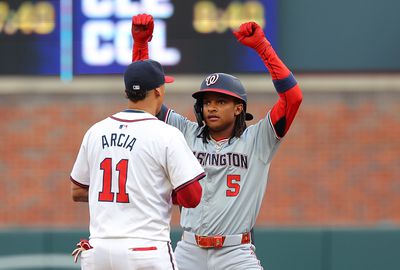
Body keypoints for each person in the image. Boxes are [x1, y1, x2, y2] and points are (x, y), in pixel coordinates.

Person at [132, 14, 302, 270]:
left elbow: (293, 97)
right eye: (207, 101)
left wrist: (262, 47)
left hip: (236, 252)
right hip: (189, 249)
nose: (211, 107)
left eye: (221, 101)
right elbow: (146, 100)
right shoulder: (186, 133)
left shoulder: (258, 139)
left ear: (238, 109)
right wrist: (141, 45)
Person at [69, 59, 206, 270]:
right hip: (146, 249)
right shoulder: (166, 133)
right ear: (159, 91)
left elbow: (77, 190)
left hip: (99, 251)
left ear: (127, 92)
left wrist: (128, 190)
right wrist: (148, 190)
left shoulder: (96, 131)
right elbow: (192, 196)